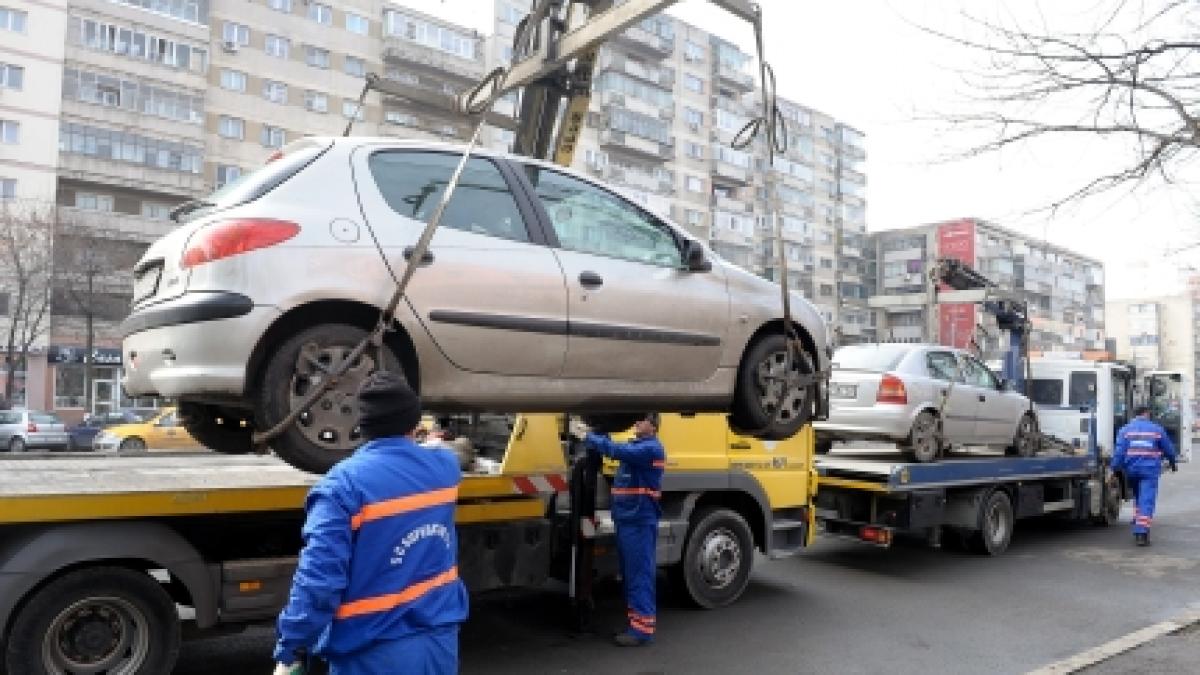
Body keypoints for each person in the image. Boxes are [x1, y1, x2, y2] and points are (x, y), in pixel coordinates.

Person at [273, 371, 468, 674]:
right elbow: (446, 453)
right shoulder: (445, 470)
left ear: (361, 426)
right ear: (413, 422)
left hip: (371, 654)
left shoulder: (342, 487)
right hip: (438, 646)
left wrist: (292, 643)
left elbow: (319, 580)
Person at [582, 413, 666, 647]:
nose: (637, 423)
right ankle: (636, 624)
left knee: (639, 575)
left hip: (638, 522)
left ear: (654, 426)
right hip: (629, 521)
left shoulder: (651, 449)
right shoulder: (639, 447)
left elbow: (619, 452)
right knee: (631, 575)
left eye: (642, 420)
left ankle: (641, 630)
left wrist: (591, 438)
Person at [1111, 405, 1178, 547]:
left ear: (1135, 415)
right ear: (1146, 414)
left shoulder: (1125, 430)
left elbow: (1119, 453)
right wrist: (1173, 462)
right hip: (1149, 471)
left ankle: (1137, 520)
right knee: (1146, 500)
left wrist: (1114, 468)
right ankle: (1141, 533)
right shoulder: (1157, 429)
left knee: (1138, 496)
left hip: (1131, 470)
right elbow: (1169, 449)